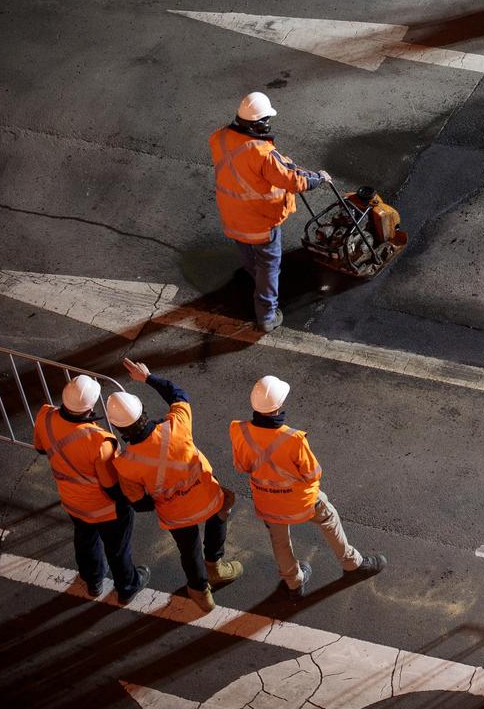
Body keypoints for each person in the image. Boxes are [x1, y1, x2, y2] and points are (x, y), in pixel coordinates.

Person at [229, 375, 386, 599]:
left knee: (279, 539)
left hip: (266, 500)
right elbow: (313, 474)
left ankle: (293, 582)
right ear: (280, 404)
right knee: (329, 517)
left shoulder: (239, 431)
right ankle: (352, 563)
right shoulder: (294, 439)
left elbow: (240, 465)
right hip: (301, 500)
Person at [106, 358, 242, 612]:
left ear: (118, 428)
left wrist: (166, 496)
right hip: (207, 496)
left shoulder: (124, 464)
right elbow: (177, 393)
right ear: (143, 412)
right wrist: (146, 377)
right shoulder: (177, 425)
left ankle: (200, 592)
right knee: (225, 503)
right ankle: (216, 564)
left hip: (175, 514)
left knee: (188, 549)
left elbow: (140, 503)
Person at [208, 91, 333, 333]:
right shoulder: (262, 154)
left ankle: (251, 275)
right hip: (261, 223)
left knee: (247, 253)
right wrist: (318, 178)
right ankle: (266, 315)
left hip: (233, 216)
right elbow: (293, 180)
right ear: (261, 123)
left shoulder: (220, 138)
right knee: (269, 265)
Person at [33, 375, 150, 603]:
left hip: (72, 502)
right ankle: (127, 586)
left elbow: (40, 448)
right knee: (117, 548)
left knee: (85, 540)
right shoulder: (100, 441)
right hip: (105, 509)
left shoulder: (44, 415)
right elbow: (111, 487)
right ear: (92, 406)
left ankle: (93, 581)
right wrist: (131, 501)